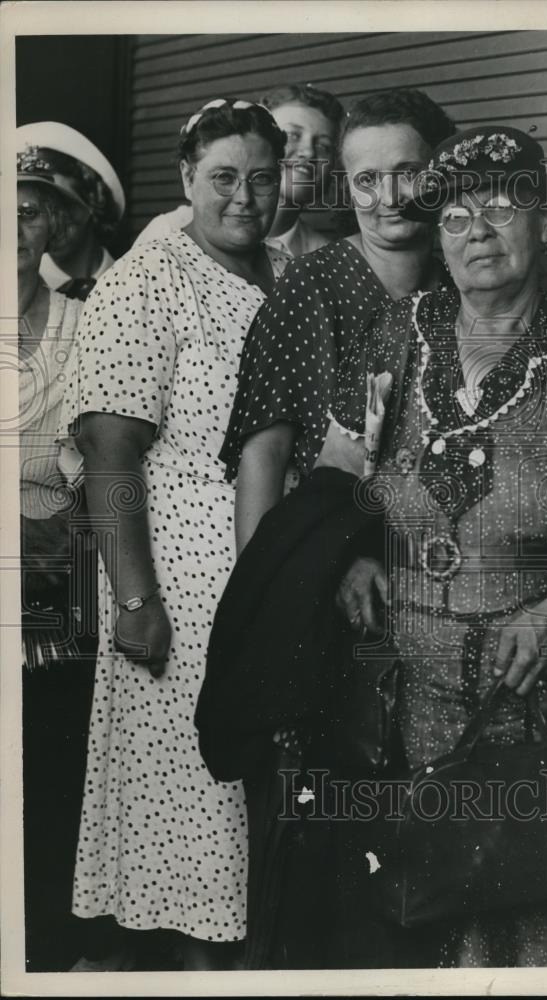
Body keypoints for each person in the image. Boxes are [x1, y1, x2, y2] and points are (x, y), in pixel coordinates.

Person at [315, 125, 547, 966]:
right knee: (435, 912)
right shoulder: (395, 335)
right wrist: (357, 554)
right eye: (456, 215)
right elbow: (336, 471)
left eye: (504, 206)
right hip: (421, 696)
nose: (479, 229)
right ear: (436, 238)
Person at [57, 97, 290, 971]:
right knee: (199, 797)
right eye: (224, 177)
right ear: (187, 178)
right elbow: (109, 453)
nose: (244, 196)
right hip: (180, 581)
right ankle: (198, 973)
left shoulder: (288, 272)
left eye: (263, 178)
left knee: (251, 791)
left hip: (268, 562)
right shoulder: (147, 279)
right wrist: (135, 599)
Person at [220, 87, 456, 553]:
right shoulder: (311, 283)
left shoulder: (459, 282)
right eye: (366, 179)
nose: (387, 196)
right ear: (346, 186)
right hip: (330, 550)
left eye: (407, 173)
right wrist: (263, 583)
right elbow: (264, 454)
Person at [16, 143, 96, 972]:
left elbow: (100, 464)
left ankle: (44, 945)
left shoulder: (86, 323)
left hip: (49, 591)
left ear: (58, 223)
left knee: (46, 765)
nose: (12, 221)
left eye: (31, 207)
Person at [134, 83, 344, 258]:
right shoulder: (170, 231)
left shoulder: (324, 256)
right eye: (292, 135)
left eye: (323, 146)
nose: (308, 151)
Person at [16, 121, 125, 300]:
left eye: (54, 202)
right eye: (32, 211)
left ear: (92, 198)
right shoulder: (14, 291)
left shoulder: (131, 281)